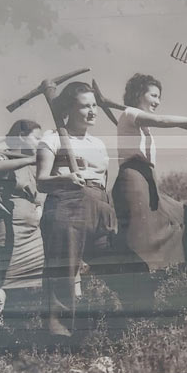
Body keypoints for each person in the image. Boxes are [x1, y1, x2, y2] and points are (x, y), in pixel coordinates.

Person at [37, 81, 120, 339]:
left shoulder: (97, 143)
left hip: (100, 204)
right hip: (67, 204)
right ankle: (58, 335)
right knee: (64, 270)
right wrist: (65, 179)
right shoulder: (52, 139)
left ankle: (115, 323)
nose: (92, 111)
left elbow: (104, 179)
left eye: (94, 105)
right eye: (85, 106)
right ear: (69, 110)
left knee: (119, 263)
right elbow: (41, 181)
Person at [112, 73, 187, 280]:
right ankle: (136, 284)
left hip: (148, 179)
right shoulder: (130, 113)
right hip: (134, 179)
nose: (158, 101)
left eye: (159, 97)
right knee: (140, 236)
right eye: (153, 96)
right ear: (138, 94)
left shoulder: (140, 124)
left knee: (184, 215)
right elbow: (161, 120)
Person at [0, 119, 45, 318]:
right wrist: (29, 160)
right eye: (36, 138)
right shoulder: (2, 155)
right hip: (6, 225)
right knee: (4, 276)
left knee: (34, 275)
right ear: (21, 137)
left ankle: (18, 323)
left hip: (31, 230)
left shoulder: (33, 163)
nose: (39, 143)